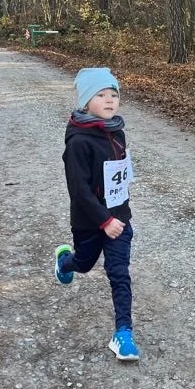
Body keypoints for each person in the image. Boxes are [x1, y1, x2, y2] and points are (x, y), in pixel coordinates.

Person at [54, 68, 139, 361]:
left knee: (119, 273)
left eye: (114, 95)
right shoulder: (78, 143)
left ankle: (123, 333)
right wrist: (103, 220)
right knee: (84, 263)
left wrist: (121, 215)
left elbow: (118, 177)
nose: (109, 100)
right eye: (101, 95)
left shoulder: (117, 131)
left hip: (119, 220)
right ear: (85, 101)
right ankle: (65, 261)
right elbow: (78, 190)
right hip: (90, 221)